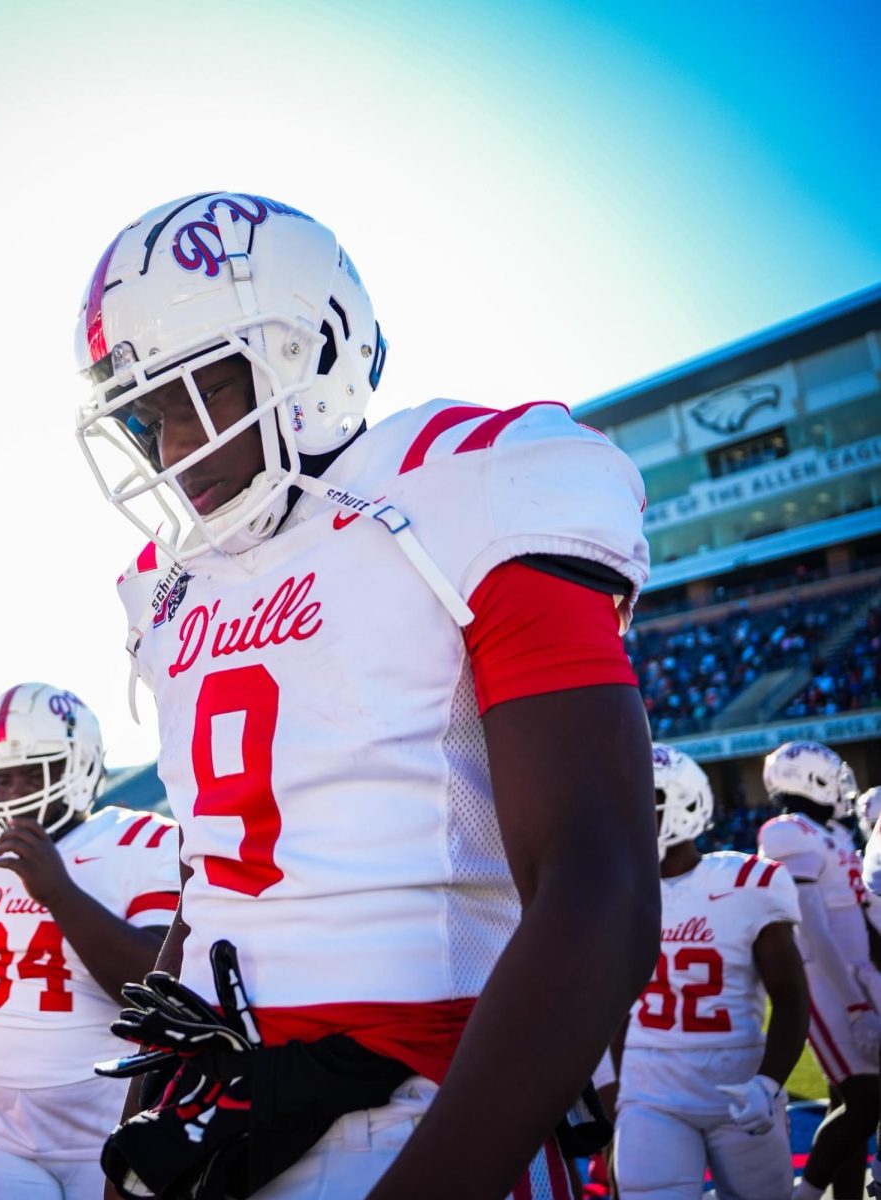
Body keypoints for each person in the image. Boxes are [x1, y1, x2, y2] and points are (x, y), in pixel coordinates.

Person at [72, 192, 660, 1199]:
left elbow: (598, 882)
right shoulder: (170, 590)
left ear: (307, 353)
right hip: (233, 1112)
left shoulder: (455, 487)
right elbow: (211, 889)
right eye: (144, 416)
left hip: (429, 1113)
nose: (169, 452)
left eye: (193, 396)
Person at [0, 682, 180, 1200]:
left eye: (35, 771)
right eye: (1, 778)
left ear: (82, 765)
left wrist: (59, 893)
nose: (14, 793)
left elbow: (156, 996)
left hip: (107, 1116)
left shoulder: (142, 842)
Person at [613, 744, 809, 1199]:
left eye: (645, 801)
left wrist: (769, 1082)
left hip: (738, 1086)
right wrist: (617, 1095)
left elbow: (791, 994)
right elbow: (611, 1008)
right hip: (650, 1090)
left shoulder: (748, 884)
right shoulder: (615, 890)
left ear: (683, 805)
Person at [756, 740, 881, 1200]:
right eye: (833, 773)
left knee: (848, 1099)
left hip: (856, 976)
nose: (842, 784)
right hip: (827, 982)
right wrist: (853, 1004)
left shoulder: (832, 833)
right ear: (809, 779)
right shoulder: (787, 831)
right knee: (868, 1102)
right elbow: (811, 921)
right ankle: (805, 1196)